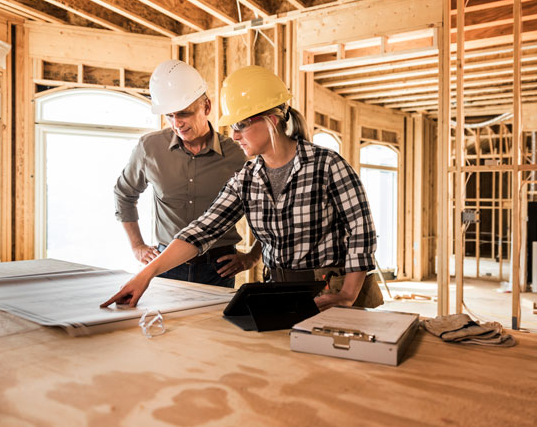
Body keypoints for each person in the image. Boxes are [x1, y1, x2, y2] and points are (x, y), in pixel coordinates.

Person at [103, 65, 382, 310]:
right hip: (276, 289)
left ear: (271, 120)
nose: (234, 135)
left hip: (328, 290)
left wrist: (348, 293)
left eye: (241, 125)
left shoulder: (327, 165)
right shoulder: (247, 178)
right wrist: (146, 275)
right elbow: (202, 231)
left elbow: (361, 229)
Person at [113, 59, 261, 288]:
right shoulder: (149, 148)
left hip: (219, 266)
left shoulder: (238, 153)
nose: (176, 123)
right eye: (169, 116)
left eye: (184, 114)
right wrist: (137, 246)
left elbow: (269, 207)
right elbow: (124, 194)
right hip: (166, 263)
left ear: (207, 107)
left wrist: (253, 255)